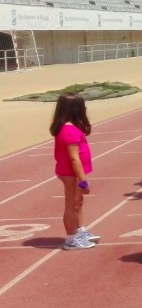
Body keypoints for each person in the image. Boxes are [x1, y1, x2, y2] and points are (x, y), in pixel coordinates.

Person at [51, 93, 98, 250]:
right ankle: (71, 240)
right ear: (75, 110)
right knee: (71, 205)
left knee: (78, 202)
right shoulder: (69, 131)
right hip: (71, 173)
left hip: (75, 172)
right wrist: (83, 180)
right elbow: (74, 158)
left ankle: (80, 230)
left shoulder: (72, 127)